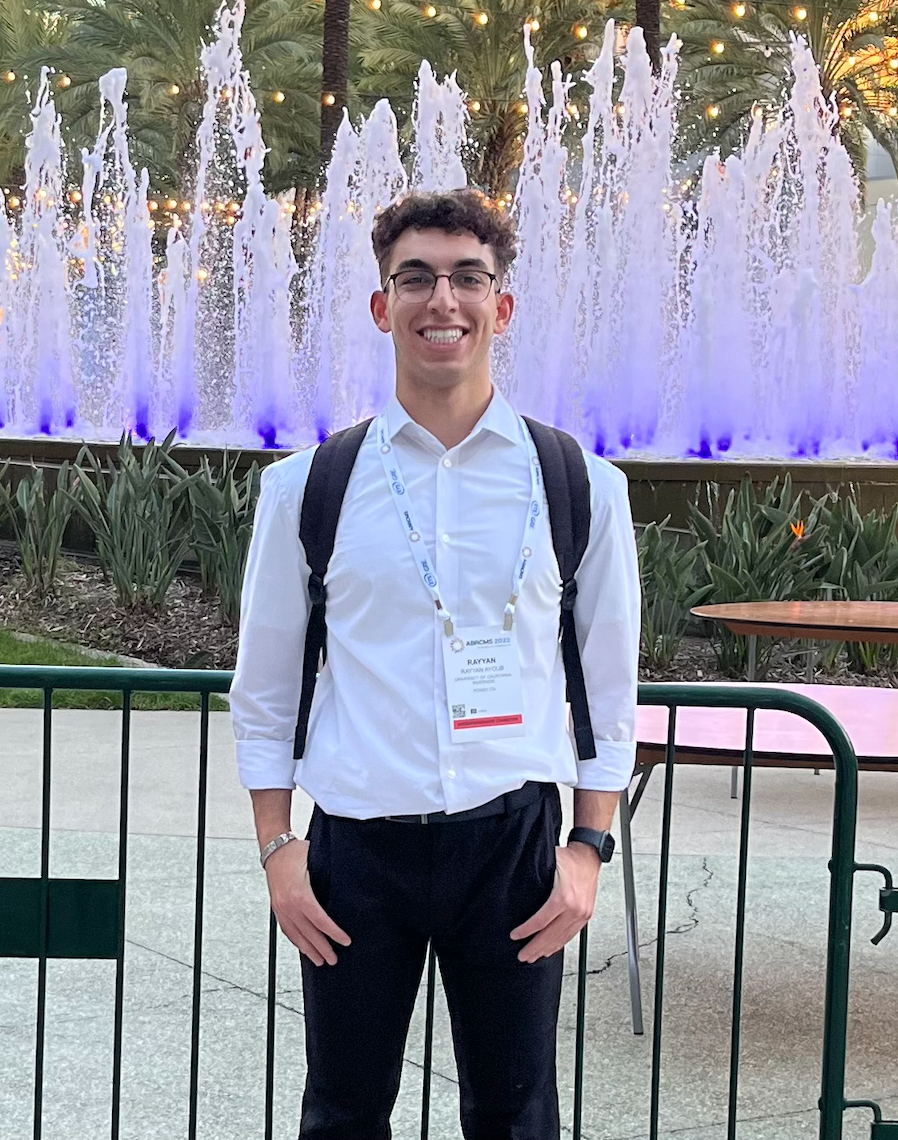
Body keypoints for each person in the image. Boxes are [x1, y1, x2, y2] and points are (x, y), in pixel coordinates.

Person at [230, 188, 641, 1140]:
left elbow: (607, 688)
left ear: (503, 305)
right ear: (383, 306)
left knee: (515, 1115)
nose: (441, 300)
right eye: (414, 278)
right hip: (355, 852)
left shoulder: (580, 486)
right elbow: (267, 689)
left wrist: (588, 850)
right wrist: (278, 852)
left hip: (512, 848)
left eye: (468, 278)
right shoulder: (308, 489)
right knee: (341, 1113)